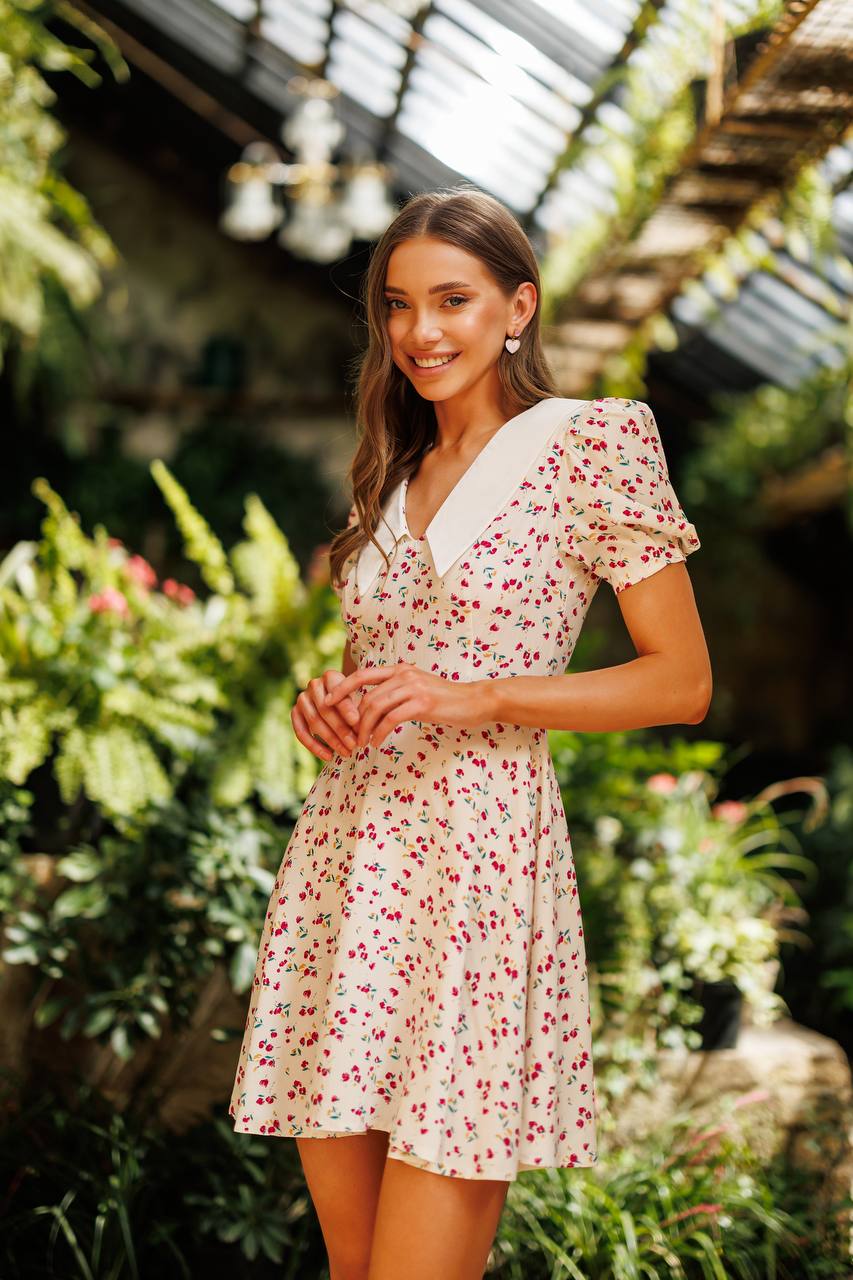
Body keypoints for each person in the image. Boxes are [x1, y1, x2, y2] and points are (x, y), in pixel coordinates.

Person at [229, 184, 712, 1280]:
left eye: (452, 299)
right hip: (349, 873)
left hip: (476, 873)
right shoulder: (389, 473)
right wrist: (328, 706)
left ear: (517, 307)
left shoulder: (589, 443)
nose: (420, 331)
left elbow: (681, 681)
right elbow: (386, 676)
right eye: (397, 305)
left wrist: (480, 695)